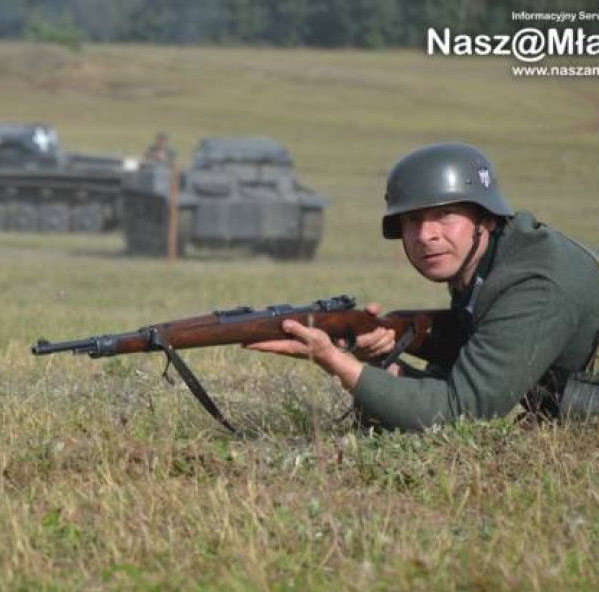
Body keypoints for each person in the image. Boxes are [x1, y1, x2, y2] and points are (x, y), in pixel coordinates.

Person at [248, 142, 599, 430]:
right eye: (412, 220)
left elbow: (458, 413)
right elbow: (445, 387)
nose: (426, 235)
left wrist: (336, 362)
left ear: (487, 218)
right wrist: (385, 355)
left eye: (445, 214)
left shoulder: (532, 285)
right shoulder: (486, 266)